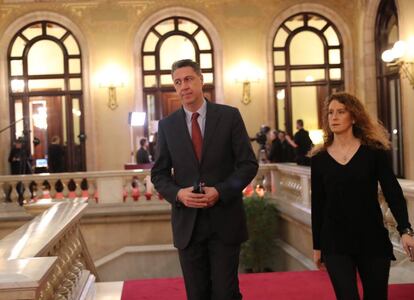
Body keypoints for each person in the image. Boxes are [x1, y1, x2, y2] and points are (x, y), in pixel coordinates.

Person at [151, 59, 258, 300]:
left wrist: (220, 191)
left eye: (188, 79)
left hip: (225, 221)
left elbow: (248, 164)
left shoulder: (229, 117)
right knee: (197, 294)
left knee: (225, 293)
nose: (183, 87)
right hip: (188, 225)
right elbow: (158, 175)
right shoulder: (167, 126)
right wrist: (179, 194)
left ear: (201, 80)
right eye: (177, 82)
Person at [311, 92, 414, 300]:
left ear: (354, 117)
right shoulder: (319, 159)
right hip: (335, 242)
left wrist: (405, 229)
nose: (334, 117)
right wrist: (317, 246)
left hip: (371, 238)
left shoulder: (373, 152)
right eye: (330, 113)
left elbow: (392, 192)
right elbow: (318, 204)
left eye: (341, 112)